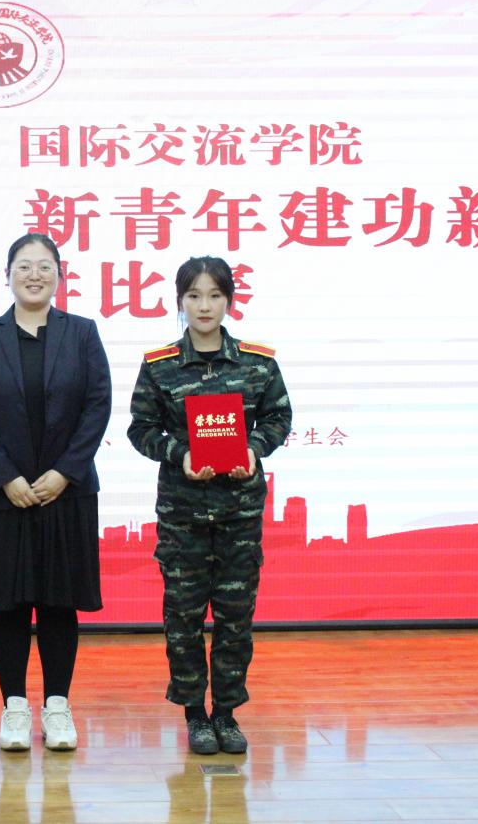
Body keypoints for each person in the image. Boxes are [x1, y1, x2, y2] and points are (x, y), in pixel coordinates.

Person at [127, 255, 292, 756]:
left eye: (215, 295)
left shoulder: (258, 364)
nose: (204, 306)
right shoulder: (160, 365)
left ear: (229, 300)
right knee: (183, 617)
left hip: (239, 513)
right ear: (179, 301)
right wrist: (180, 454)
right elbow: (141, 429)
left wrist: (253, 449)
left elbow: (279, 418)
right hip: (183, 516)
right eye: (194, 296)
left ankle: (226, 712)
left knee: (235, 617)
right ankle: (195, 714)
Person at [0, 232, 112, 752]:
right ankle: (15, 707)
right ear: (7, 275)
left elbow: (97, 405)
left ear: (60, 276)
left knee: (58, 604)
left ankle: (58, 706)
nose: (34, 275)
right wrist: (6, 476)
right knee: (8, 605)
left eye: (45, 266)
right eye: (24, 266)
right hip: (3, 496)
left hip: (66, 492)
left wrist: (65, 472)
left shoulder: (82, 333)